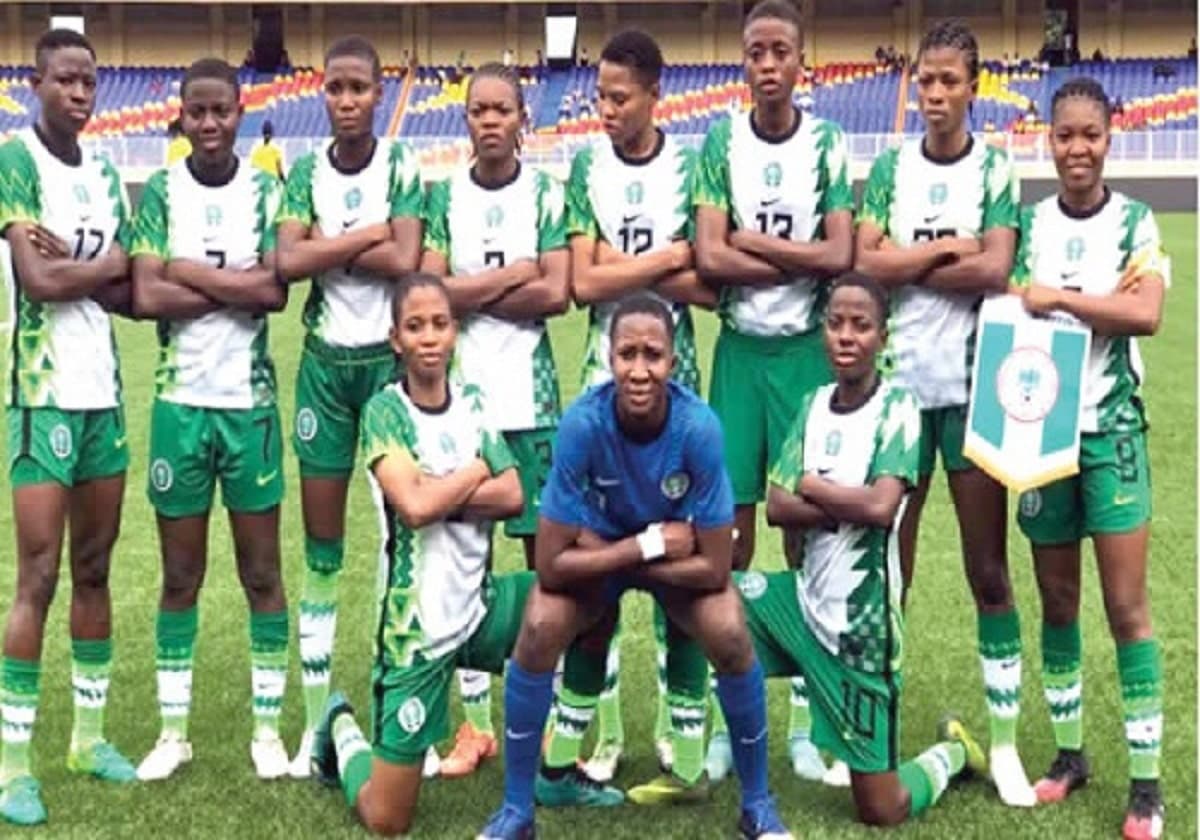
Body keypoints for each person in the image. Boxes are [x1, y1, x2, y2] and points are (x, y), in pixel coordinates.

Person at [477, 295, 792, 840]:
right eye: (628, 354)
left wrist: (610, 557)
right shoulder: (582, 424)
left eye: (653, 355)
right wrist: (643, 549)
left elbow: (716, 568)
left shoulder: (698, 428)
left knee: (729, 629)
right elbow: (552, 566)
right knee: (539, 624)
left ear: (673, 361)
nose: (640, 370)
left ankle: (757, 805)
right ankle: (516, 811)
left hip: (627, 560)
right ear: (608, 356)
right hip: (633, 557)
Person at [308, 272, 568, 835]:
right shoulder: (385, 411)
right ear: (395, 338)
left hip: (480, 606)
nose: (429, 337)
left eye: (440, 324)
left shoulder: (473, 401)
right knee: (387, 818)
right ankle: (341, 729)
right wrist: (475, 470)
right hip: (414, 629)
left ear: (455, 333)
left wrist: (441, 484)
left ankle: (549, 766)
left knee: (570, 600)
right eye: (415, 326)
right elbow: (414, 508)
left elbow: (514, 493)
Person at [853, 18, 1031, 807]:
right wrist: (941, 252)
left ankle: (1002, 745)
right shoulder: (890, 167)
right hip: (897, 396)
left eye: (949, 81)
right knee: (890, 570)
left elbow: (995, 268)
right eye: (924, 80)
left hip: (970, 392)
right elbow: (868, 265)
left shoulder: (995, 170)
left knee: (988, 571)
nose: (933, 94)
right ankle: (880, 729)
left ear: (973, 86)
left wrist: (910, 260)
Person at [745, 272, 989, 826]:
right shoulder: (811, 404)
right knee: (711, 607)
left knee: (882, 808)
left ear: (884, 335)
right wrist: (836, 501)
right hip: (800, 604)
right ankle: (733, 773)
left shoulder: (899, 408)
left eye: (861, 325)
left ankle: (950, 753)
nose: (846, 336)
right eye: (835, 324)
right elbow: (777, 506)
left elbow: (882, 510)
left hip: (863, 632)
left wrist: (814, 486)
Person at [693, 0, 854, 783]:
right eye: (754, 50)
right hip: (739, 356)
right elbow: (709, 260)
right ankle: (736, 721)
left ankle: (806, 722)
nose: (766, 64)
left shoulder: (829, 141)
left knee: (805, 539)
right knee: (728, 540)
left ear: (800, 61)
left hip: (804, 359)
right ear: (743, 61)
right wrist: (795, 254)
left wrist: (752, 245)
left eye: (779, 51)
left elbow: (843, 253)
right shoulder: (721, 141)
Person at [551, 28, 717, 788]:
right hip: (599, 395)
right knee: (598, 568)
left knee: (683, 566)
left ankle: (684, 743)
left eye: (619, 98)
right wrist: (665, 261)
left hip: (675, 394)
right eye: (600, 98)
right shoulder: (586, 166)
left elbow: (710, 283)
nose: (606, 111)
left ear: (656, 95)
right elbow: (583, 286)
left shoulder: (690, 165)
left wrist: (626, 272)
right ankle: (604, 737)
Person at [1013, 77, 1168, 840]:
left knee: (1126, 607)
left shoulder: (1136, 222)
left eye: (1090, 135)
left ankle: (1147, 785)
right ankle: (1071, 756)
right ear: (1049, 137)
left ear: (1112, 137)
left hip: (1110, 433)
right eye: (1064, 134)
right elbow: (1012, 306)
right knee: (1059, 603)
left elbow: (1145, 314)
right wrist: (1047, 296)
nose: (1077, 148)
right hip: (1038, 437)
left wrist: (1062, 299)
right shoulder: (1027, 223)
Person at [129, 57, 291, 783]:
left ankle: (266, 732)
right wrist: (231, 286)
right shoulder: (161, 190)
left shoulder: (265, 189)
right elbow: (145, 297)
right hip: (180, 406)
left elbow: (274, 293)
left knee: (263, 574)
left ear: (237, 110)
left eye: (220, 110)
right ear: (182, 116)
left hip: (248, 405)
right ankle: (172, 733)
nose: (209, 124)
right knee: (179, 576)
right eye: (196, 112)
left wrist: (186, 271)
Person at [276, 34, 425, 778]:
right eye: (333, 87)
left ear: (378, 93)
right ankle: (314, 729)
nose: (345, 100)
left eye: (358, 88)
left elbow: (406, 261)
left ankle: (401, 717)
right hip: (325, 373)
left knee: (407, 546)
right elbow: (285, 261)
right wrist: (370, 234)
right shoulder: (304, 171)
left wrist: (332, 243)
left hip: (390, 373)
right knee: (324, 553)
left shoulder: (401, 163)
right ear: (320, 92)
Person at [0, 28, 136, 826]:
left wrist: (83, 273)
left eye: (89, 82)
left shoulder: (108, 171)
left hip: (103, 398)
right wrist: (98, 269)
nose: (80, 94)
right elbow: (36, 279)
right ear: (35, 83)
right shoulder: (16, 160)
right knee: (39, 575)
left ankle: (88, 739)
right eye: (66, 81)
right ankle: (13, 766)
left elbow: (120, 291)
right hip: (42, 395)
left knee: (94, 569)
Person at [419, 62, 569, 778]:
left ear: (520, 118)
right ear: (466, 118)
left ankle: (538, 722)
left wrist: (471, 292)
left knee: (550, 568)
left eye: (501, 109)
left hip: (533, 404)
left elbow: (559, 293)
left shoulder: (544, 191)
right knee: (460, 567)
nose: (488, 120)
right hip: (465, 410)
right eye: (477, 109)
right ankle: (474, 726)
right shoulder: (445, 195)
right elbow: (434, 293)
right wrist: (514, 274)